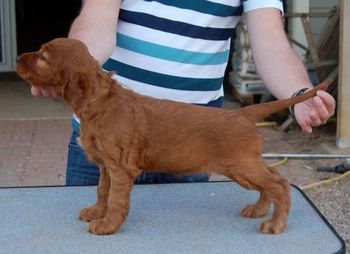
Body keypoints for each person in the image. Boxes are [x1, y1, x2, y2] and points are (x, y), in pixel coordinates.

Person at [31, 0, 335, 185]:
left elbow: (271, 44)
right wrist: (67, 70)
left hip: (190, 140)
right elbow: (95, 23)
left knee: (183, 237)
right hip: (104, 134)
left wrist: (299, 93)